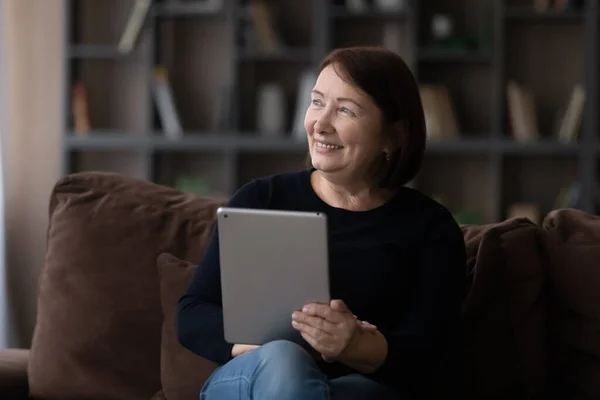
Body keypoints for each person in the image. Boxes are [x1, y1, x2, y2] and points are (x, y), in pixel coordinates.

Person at [176, 46, 467, 400]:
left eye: (345, 110)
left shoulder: (430, 229)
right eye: (316, 102)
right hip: (252, 380)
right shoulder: (262, 200)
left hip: (358, 388)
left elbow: (433, 354)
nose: (320, 124)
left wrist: (356, 345)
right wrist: (264, 349)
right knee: (285, 360)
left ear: (393, 136)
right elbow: (191, 314)